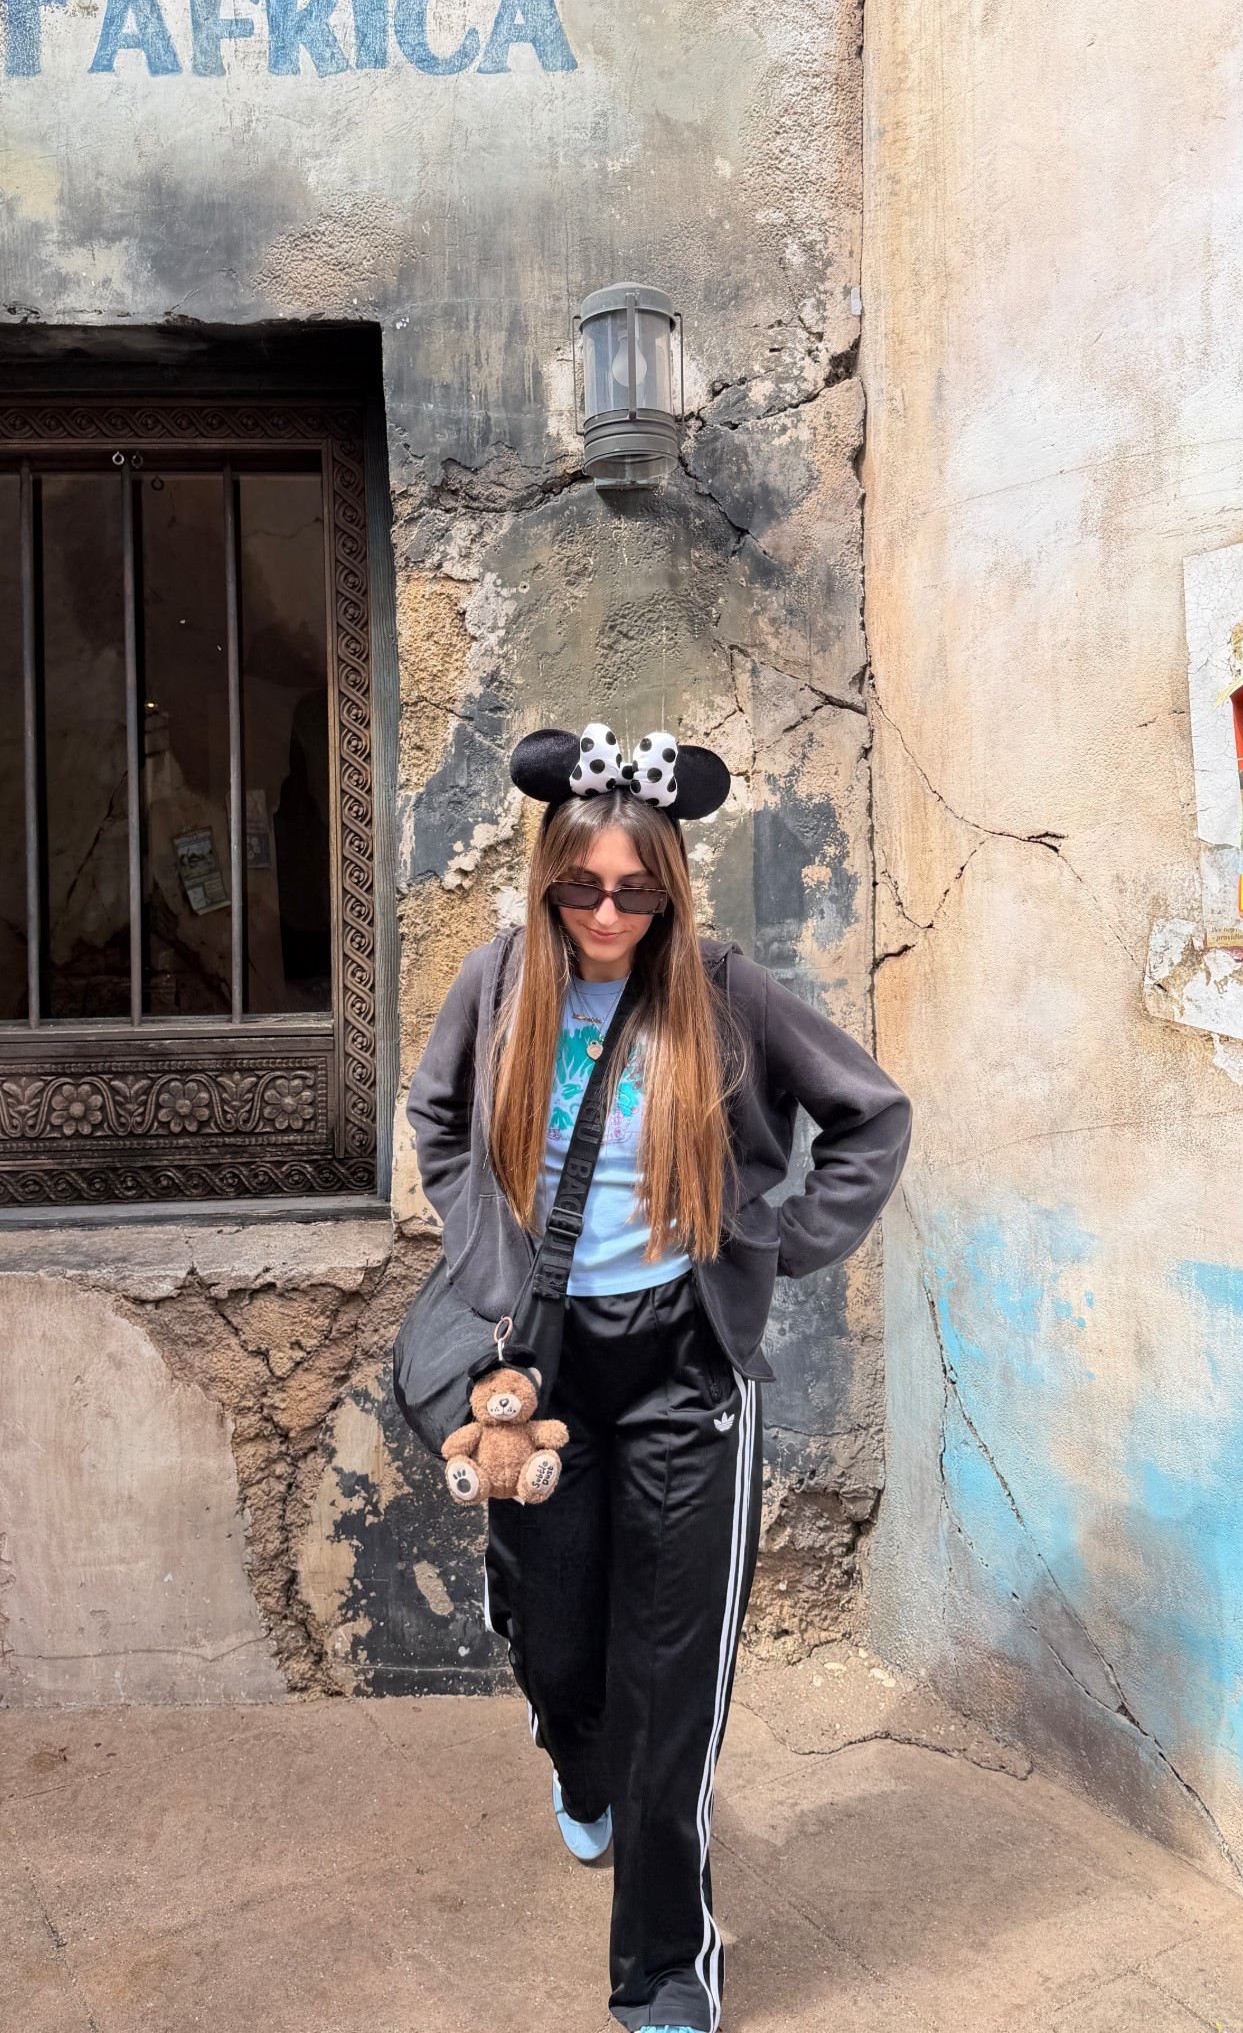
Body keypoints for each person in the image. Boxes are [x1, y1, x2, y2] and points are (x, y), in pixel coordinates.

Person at [406, 721, 911, 2033]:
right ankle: (579, 1764)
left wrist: (772, 1244)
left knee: (675, 1674)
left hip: (688, 1362)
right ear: (548, 877)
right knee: (562, 1638)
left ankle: (666, 1971)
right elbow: (439, 1121)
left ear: (670, 885)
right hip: (549, 1359)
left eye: (639, 890)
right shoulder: (497, 984)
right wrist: (484, 1259)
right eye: (584, 887)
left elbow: (872, 1115)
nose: (611, 913)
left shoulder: (727, 991)